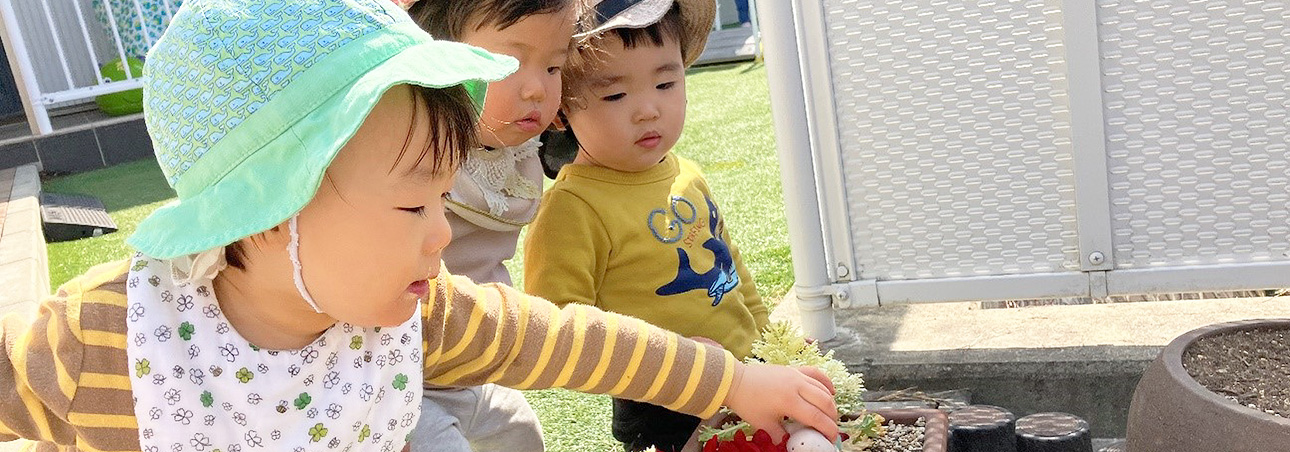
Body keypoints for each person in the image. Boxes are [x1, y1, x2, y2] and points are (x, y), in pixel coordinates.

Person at [0, 0, 841, 451]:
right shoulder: (105, 342)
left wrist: (733, 383)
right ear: (266, 209)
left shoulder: (424, 316)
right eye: (413, 205)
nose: (441, 236)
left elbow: (579, 343)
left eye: (443, 199)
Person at [522, 1, 771, 450]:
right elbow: (558, 333)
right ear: (561, 111)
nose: (647, 110)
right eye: (615, 95)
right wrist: (669, 361)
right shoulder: (572, 209)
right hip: (665, 408)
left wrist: (771, 340)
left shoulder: (686, 174)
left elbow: (730, 269)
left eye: (665, 82)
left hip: (750, 374)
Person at [402, 0, 578, 449]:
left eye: (554, 67)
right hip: (401, 379)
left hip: (479, 365)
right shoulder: (411, 146)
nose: (537, 88)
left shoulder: (519, 151)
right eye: (510, 63)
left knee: (522, 437)